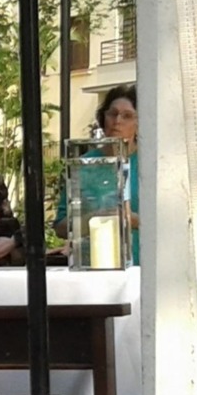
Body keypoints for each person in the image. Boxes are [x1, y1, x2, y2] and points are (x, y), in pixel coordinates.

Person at [53, 84, 139, 264]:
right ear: (103, 118)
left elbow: (170, 222)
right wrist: (92, 219)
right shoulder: (83, 165)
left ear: (139, 123)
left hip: (144, 270)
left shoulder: (154, 165)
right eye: (112, 113)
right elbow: (60, 226)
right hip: (95, 267)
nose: (118, 120)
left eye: (127, 116)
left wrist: (131, 219)